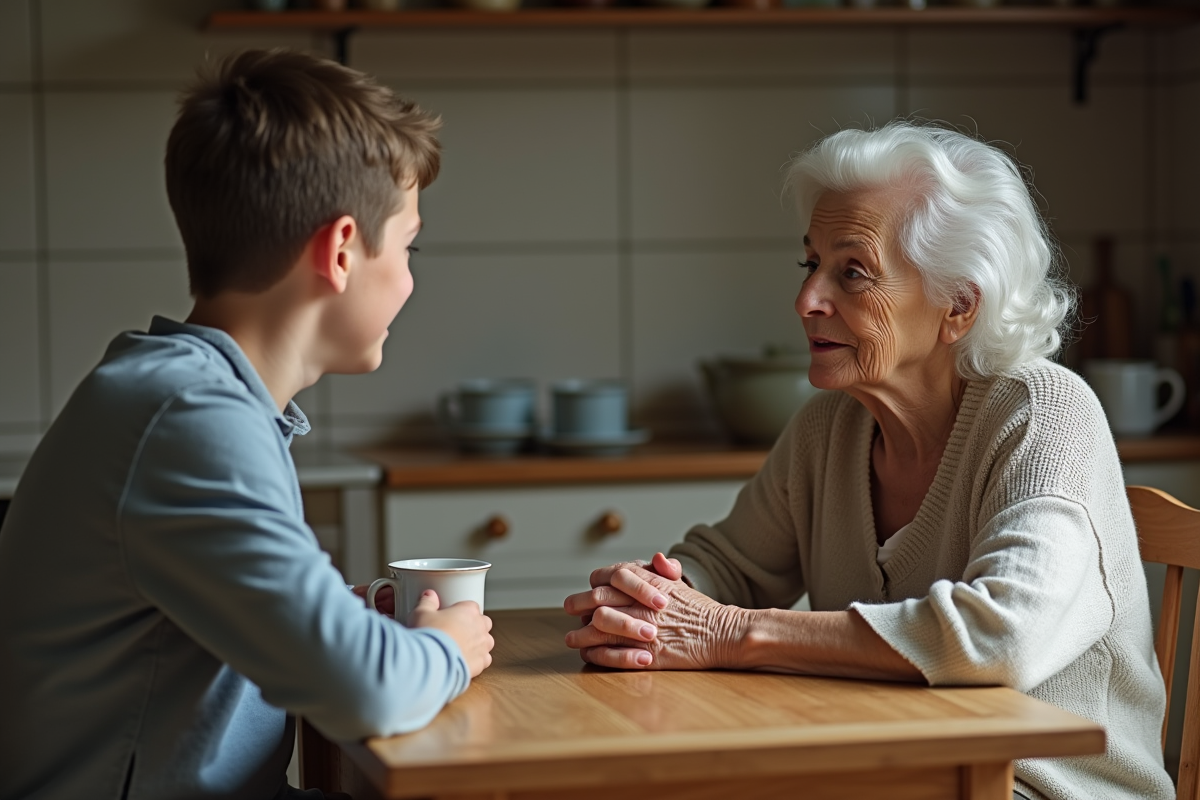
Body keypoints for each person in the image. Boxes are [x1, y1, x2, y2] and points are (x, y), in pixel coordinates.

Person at [563, 121, 1174, 800]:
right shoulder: (832, 425)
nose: (806, 301)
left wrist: (730, 633)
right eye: (811, 264)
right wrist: (649, 599)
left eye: (852, 272)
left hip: (1038, 787)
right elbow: (730, 564)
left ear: (958, 306)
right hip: (893, 771)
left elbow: (1000, 639)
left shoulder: (1042, 413)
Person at [0, 49, 493, 800]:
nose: (410, 277)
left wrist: (337, 620)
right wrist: (445, 647)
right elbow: (369, 692)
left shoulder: (183, 395)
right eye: (407, 245)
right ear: (339, 251)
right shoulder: (190, 418)